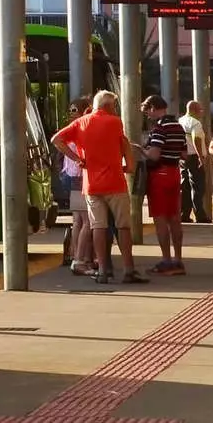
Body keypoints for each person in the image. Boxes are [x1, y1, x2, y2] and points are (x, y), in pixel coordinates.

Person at [53, 91, 148, 285]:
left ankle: (103, 270)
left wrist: (77, 159)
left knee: (98, 226)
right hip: (115, 183)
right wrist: (127, 167)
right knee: (122, 226)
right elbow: (125, 149)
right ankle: (129, 269)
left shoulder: (80, 123)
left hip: (92, 185)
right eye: (114, 105)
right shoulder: (115, 122)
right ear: (109, 106)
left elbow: (56, 140)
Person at [142, 95, 189, 274]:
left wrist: (141, 150)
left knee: (160, 219)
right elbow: (184, 155)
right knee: (175, 218)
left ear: (153, 107)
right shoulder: (179, 127)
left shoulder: (159, 129)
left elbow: (154, 155)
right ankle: (178, 259)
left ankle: (166, 260)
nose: (147, 114)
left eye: (147, 110)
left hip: (159, 176)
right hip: (174, 174)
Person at [59, 96, 99, 275]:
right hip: (80, 176)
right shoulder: (82, 128)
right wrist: (78, 159)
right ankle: (81, 258)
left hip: (69, 175)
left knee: (77, 221)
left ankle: (76, 254)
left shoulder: (69, 128)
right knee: (87, 221)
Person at [182, 100, 213, 224]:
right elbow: (196, 139)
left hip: (183, 158)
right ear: (194, 110)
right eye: (200, 110)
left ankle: (184, 214)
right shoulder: (195, 123)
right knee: (198, 186)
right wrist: (201, 156)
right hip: (194, 157)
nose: (202, 112)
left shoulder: (180, 121)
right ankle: (200, 215)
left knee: (185, 186)